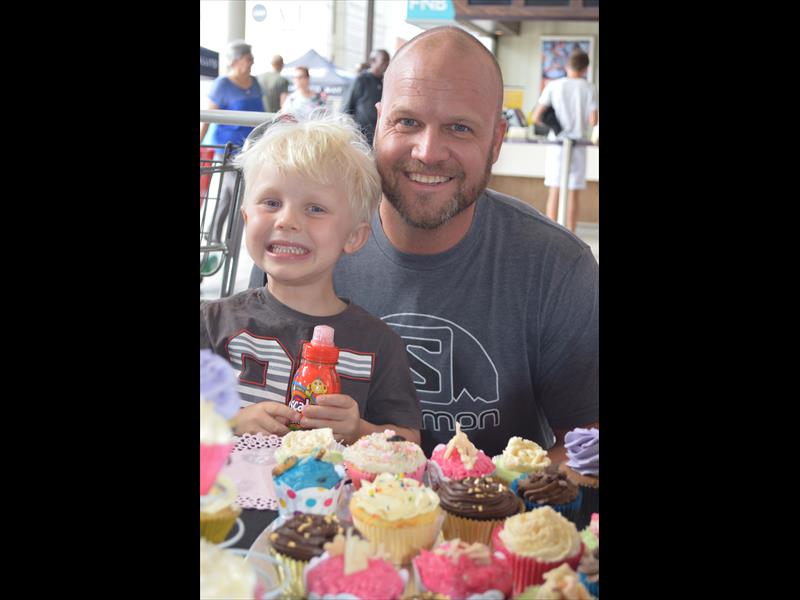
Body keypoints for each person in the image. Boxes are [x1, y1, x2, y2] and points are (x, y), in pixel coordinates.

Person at [250, 26, 598, 460]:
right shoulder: (295, 241)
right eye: (408, 122)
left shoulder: (557, 266)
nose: (428, 152)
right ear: (379, 121)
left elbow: (587, 445)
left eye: (459, 128)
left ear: (496, 141)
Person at [201, 111, 422, 445]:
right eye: (271, 202)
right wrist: (231, 421)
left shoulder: (379, 345)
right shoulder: (212, 323)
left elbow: (410, 443)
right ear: (246, 218)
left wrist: (359, 431)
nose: (287, 220)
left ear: (354, 236)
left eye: (315, 209)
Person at [199, 40, 265, 275]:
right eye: (248, 58)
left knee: (232, 200)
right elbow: (208, 118)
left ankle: (218, 248)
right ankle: (218, 249)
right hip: (228, 153)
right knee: (234, 199)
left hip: (253, 151)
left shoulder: (255, 82)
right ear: (236, 61)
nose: (252, 61)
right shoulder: (222, 84)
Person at [531, 48, 598, 232]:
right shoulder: (589, 88)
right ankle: (571, 234)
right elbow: (594, 121)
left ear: (567, 65)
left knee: (555, 190)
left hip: (557, 144)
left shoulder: (553, 85)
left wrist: (555, 124)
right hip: (578, 144)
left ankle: (551, 234)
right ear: (585, 68)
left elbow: (536, 116)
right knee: (573, 193)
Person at [340, 49, 390, 146]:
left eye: (388, 62)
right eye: (384, 61)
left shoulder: (385, 82)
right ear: (373, 61)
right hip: (361, 138)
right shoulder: (361, 80)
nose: (386, 65)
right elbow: (346, 107)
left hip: (379, 137)